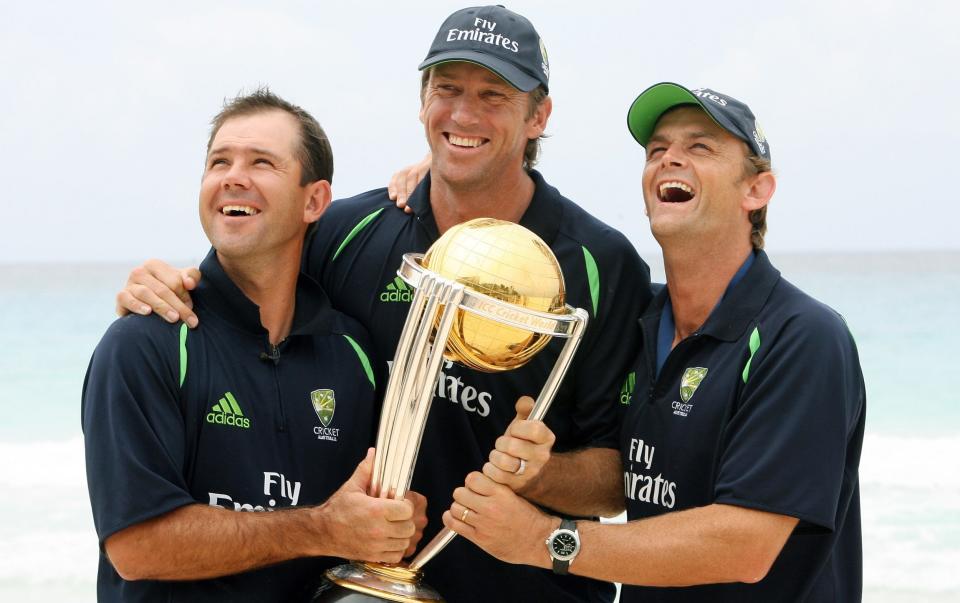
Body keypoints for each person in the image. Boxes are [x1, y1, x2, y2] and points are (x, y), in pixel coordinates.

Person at [115, 6, 652, 602]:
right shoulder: (350, 230)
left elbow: (625, 478)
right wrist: (167, 285)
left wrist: (542, 474)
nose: (463, 113)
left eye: (493, 95)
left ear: (539, 115)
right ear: (422, 101)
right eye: (446, 89)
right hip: (358, 590)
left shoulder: (602, 263)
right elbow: (251, 287)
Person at [442, 83, 866, 602]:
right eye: (657, 150)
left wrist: (543, 540)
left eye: (700, 147)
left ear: (756, 191)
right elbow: (622, 482)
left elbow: (745, 545)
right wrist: (542, 476)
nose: (670, 161)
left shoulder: (804, 338)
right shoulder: (639, 320)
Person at [83, 89, 426, 602]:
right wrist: (324, 528)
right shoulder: (146, 341)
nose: (233, 176)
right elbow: (137, 546)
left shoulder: (352, 354)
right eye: (219, 161)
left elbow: (369, 516)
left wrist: (393, 522)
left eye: (262, 162)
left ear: (314, 201)